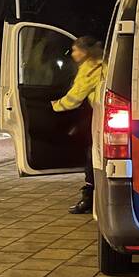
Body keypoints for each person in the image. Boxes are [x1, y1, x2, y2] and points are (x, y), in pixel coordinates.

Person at [52, 36, 105, 214]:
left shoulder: (90, 68)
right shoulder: (105, 62)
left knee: (92, 155)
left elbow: (74, 98)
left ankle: (89, 198)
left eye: (75, 50)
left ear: (85, 51)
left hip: (102, 115)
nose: (73, 53)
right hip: (110, 113)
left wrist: (53, 106)